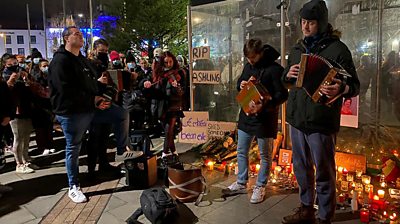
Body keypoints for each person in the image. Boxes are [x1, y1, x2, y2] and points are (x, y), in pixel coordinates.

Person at [281, 1, 360, 223]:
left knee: (324, 172)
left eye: (311, 23)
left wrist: (342, 88)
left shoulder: (339, 50)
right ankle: (306, 209)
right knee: (301, 168)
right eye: (303, 22)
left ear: (322, 23)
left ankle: (324, 216)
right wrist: (288, 74)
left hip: (322, 121)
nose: (305, 27)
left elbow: (355, 85)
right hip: (297, 119)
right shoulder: (297, 49)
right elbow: (285, 81)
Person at [48, 26, 142, 203]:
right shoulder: (60, 61)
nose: (81, 36)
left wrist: (100, 93)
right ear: (66, 38)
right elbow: (65, 90)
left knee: (121, 114)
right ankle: (73, 186)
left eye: (81, 34)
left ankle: (121, 151)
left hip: (90, 108)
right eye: (77, 34)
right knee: (73, 148)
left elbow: (91, 84)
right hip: (72, 113)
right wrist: (93, 99)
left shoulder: (82, 60)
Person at [221, 39, 288, 204]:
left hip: (265, 118)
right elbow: (239, 83)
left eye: (253, 58)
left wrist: (266, 101)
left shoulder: (275, 69)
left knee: (265, 155)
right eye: (248, 58)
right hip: (246, 115)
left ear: (261, 53)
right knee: (241, 150)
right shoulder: (248, 66)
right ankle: (242, 182)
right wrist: (241, 84)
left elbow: (283, 94)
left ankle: (260, 185)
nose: (250, 61)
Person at [143, 51, 186, 161]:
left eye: (171, 62)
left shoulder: (179, 73)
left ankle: (165, 152)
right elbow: (144, 82)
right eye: (166, 62)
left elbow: (182, 92)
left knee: (169, 129)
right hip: (160, 106)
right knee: (167, 130)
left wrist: (176, 87)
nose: (169, 64)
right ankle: (173, 151)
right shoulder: (157, 73)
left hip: (173, 105)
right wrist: (146, 83)